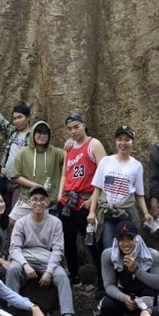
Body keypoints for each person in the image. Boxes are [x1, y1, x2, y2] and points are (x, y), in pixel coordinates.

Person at [6, 186, 84, 316]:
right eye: (34, 199)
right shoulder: (21, 222)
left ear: (48, 202)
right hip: (25, 256)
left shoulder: (55, 222)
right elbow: (14, 248)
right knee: (13, 269)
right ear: (29, 202)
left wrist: (49, 271)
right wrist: (25, 265)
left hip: (46, 257)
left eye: (42, 199)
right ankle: (12, 312)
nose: (38, 203)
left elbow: (58, 249)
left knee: (61, 276)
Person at [87, 125, 153, 255]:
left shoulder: (136, 166)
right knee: (108, 248)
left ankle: (127, 274)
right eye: (119, 139)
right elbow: (97, 189)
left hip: (126, 213)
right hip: (107, 213)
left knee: (128, 247)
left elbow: (139, 194)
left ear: (132, 142)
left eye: (127, 140)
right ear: (115, 141)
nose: (123, 143)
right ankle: (111, 275)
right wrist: (92, 212)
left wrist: (145, 213)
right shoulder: (106, 161)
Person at [57, 111, 106, 285]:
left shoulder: (94, 145)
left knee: (92, 242)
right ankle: (74, 276)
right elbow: (64, 174)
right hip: (67, 201)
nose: (73, 132)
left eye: (76, 127)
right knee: (68, 242)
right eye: (70, 129)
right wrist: (60, 194)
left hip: (85, 201)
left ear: (84, 125)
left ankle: (103, 279)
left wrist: (94, 199)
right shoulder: (69, 148)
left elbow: (103, 173)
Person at [99, 221, 159, 316]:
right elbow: (109, 285)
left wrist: (137, 271)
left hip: (147, 295)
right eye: (121, 240)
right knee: (106, 304)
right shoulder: (109, 255)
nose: (126, 244)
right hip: (126, 295)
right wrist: (124, 298)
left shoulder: (151, 255)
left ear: (137, 239)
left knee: (152, 295)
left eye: (130, 239)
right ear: (116, 241)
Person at [0, 83, 31, 202]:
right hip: (5, 179)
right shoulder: (12, 132)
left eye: (20, 117)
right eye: (14, 118)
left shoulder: (34, 136)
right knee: (3, 211)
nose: (16, 121)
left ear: (28, 118)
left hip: (22, 182)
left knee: (14, 217)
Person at [11, 121, 64, 222]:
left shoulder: (56, 152)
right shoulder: (23, 153)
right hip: (27, 199)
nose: (42, 136)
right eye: (39, 133)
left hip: (49, 201)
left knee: (47, 230)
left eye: (45, 133)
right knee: (12, 223)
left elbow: (72, 157)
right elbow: (16, 176)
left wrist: (71, 142)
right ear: (33, 134)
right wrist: (36, 186)